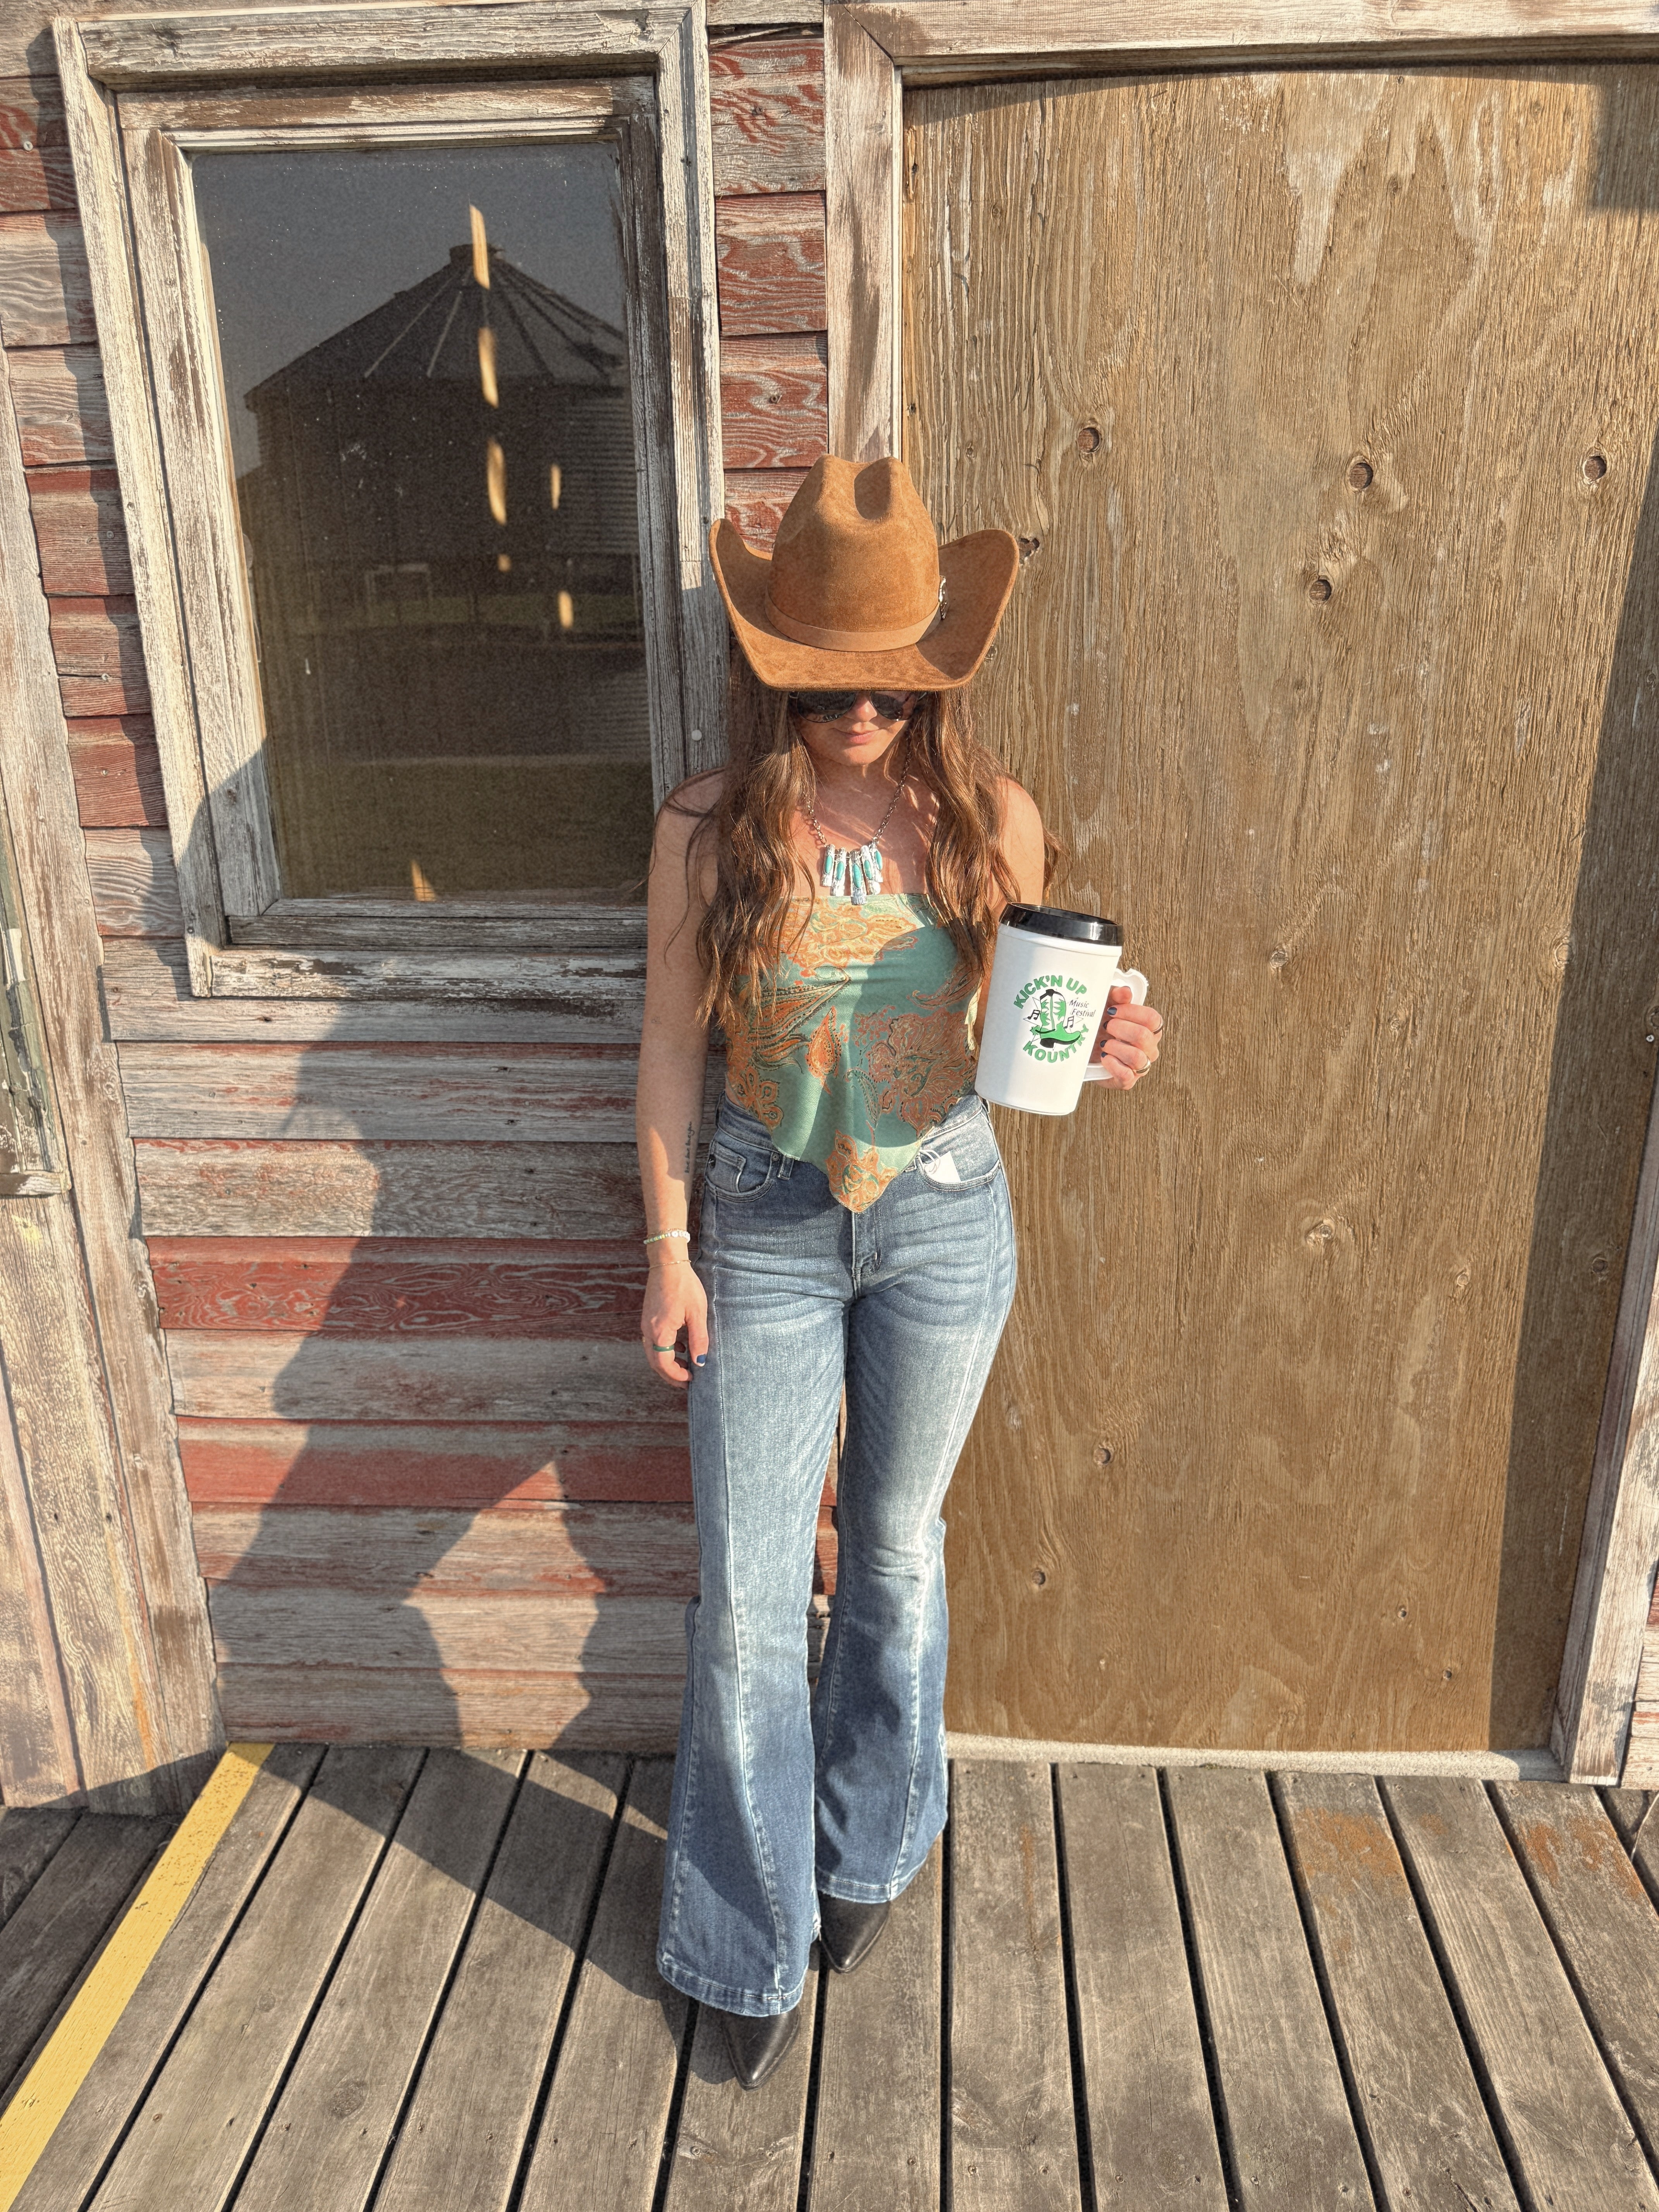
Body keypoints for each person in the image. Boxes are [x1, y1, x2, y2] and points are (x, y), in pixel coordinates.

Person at [634, 455, 1163, 2089]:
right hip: (764, 1218)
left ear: (932, 675)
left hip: (942, 1210)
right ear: (774, 670)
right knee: (743, 1603)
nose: (854, 711)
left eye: (884, 684)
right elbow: (665, 1046)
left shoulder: (989, 822)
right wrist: (667, 1249)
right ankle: (744, 1936)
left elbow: (1030, 1039)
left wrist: (1114, 1035)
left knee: (895, 1554)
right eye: (818, 685)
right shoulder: (713, 828)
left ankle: (868, 1851)